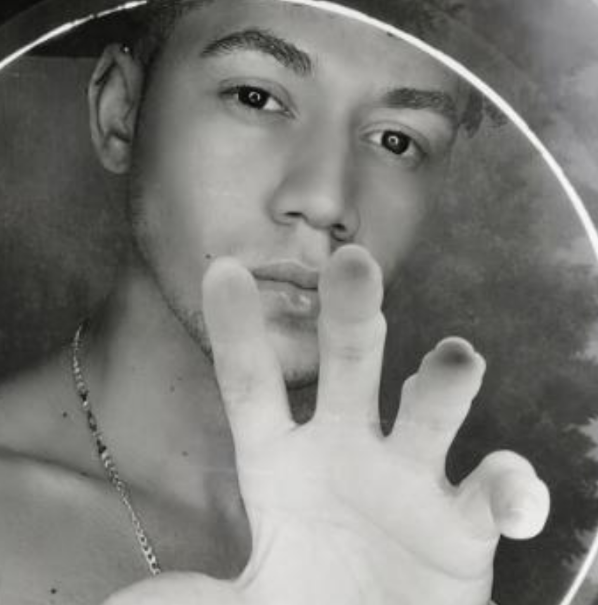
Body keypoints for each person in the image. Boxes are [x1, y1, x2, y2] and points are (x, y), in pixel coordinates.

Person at [0, 0, 550, 604]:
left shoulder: (418, 545)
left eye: (396, 141)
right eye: (255, 98)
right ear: (120, 113)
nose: (326, 200)